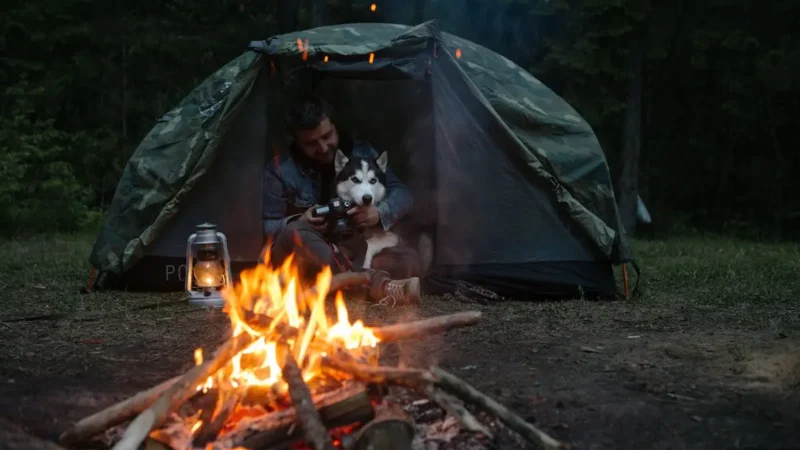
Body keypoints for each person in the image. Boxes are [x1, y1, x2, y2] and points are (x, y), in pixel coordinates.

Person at [262, 95, 421, 305]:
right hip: (309, 249)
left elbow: (403, 194)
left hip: (352, 246)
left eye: (327, 136)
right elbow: (266, 226)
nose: (323, 147)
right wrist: (299, 221)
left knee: (407, 258)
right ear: (297, 142)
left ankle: (337, 284)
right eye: (311, 143)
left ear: (335, 126)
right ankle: (375, 285)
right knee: (294, 233)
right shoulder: (281, 170)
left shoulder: (362, 153)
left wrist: (379, 213)